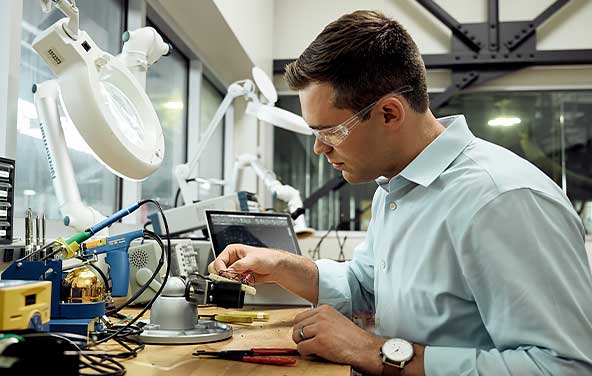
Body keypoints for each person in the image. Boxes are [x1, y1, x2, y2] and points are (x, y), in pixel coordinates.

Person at [212, 10, 592, 376]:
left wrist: (374, 352)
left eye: (329, 132)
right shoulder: (395, 190)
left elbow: (563, 366)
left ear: (390, 113)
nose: (319, 149)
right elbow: (365, 285)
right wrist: (279, 265)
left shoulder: (500, 199)